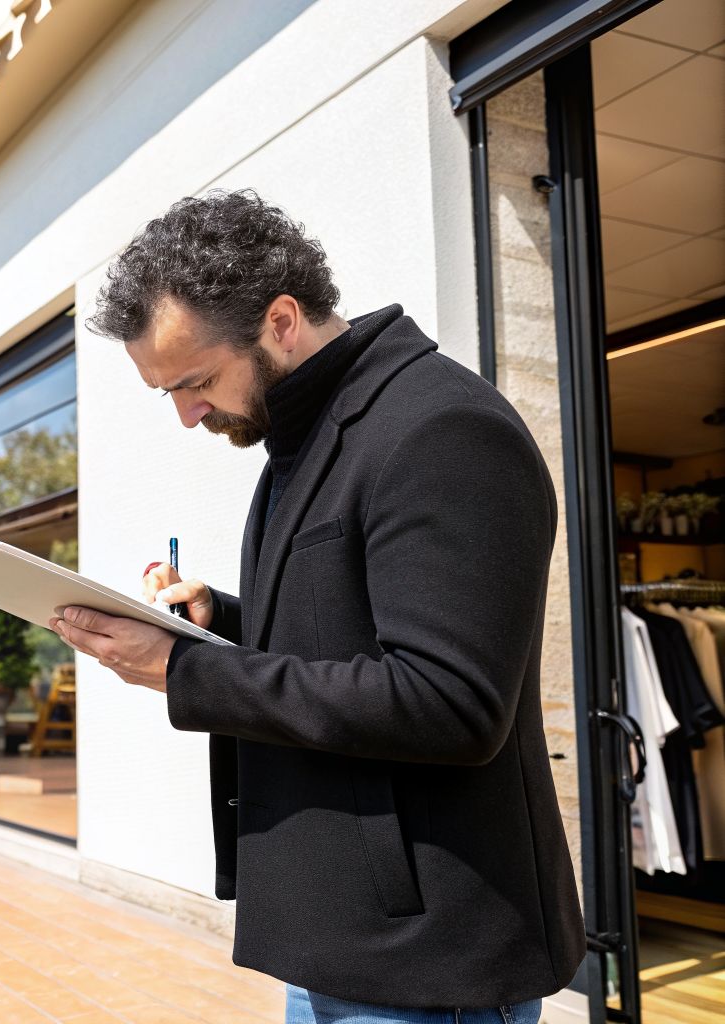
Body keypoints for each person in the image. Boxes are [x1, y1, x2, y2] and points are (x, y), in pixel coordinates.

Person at [49, 190, 583, 1023]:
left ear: (281, 321)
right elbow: (350, 631)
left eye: (196, 382)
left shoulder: (441, 428)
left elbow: (450, 702)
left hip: (425, 968)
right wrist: (219, 620)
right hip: (339, 942)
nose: (188, 415)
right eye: (169, 395)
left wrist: (185, 673)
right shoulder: (308, 440)